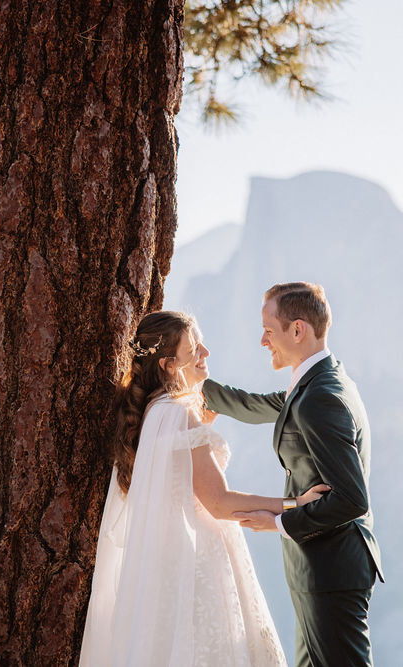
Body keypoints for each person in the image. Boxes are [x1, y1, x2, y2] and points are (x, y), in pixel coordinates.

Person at [79, 310, 329, 666]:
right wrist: (296, 503)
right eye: (195, 348)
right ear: (168, 364)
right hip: (199, 564)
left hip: (167, 563)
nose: (206, 353)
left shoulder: (152, 412)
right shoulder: (179, 414)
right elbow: (220, 503)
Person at [203, 282, 384, 667]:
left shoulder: (320, 397)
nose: (263, 340)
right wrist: (191, 387)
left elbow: (352, 499)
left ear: (297, 330)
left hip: (330, 570)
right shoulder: (319, 381)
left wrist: (281, 522)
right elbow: (257, 405)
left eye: (269, 330)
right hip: (320, 568)